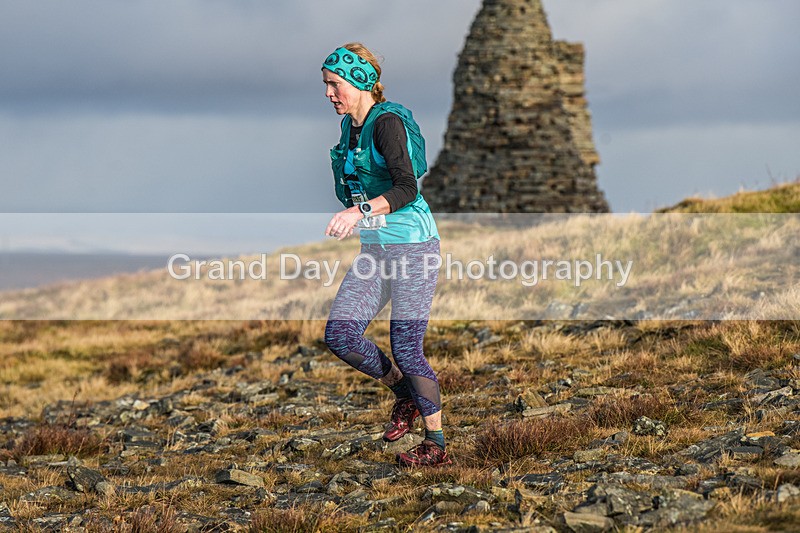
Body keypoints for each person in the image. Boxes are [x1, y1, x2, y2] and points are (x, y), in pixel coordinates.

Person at [321, 43, 450, 467]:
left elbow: (406, 188)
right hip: (376, 250)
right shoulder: (351, 129)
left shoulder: (386, 123)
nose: (328, 94)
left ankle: (436, 446)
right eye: (326, 86)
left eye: (334, 85)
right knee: (340, 333)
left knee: (407, 348)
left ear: (357, 82)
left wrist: (356, 212)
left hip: (412, 248)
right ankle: (403, 394)